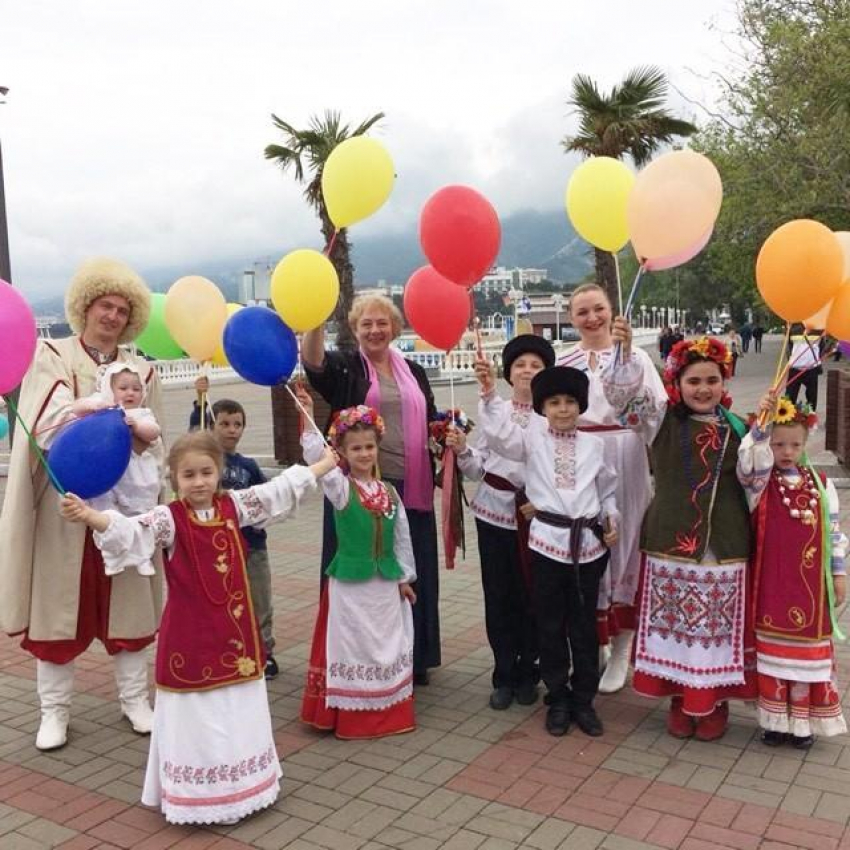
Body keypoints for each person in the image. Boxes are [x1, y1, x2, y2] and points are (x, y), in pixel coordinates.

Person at [59, 431, 337, 825]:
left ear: (219, 472)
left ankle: (245, 785)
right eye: (189, 475)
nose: (200, 482)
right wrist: (91, 516)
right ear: (174, 479)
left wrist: (324, 464)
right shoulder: (168, 520)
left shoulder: (234, 506)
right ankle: (201, 796)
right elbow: (132, 531)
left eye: (207, 472)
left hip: (235, 635)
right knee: (199, 715)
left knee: (236, 708)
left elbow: (278, 490)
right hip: (189, 640)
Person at [0, 257, 163, 751]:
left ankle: (136, 700)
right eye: (103, 305)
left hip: (124, 508)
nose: (111, 316)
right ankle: (54, 712)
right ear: (85, 307)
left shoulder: (142, 369)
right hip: (64, 507)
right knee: (57, 610)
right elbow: (42, 427)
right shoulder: (52, 353)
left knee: (129, 603)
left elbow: (155, 440)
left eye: (121, 309)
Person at [605, 326, 756, 741]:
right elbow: (623, 400)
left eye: (712, 380)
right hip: (669, 541)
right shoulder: (659, 421)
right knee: (677, 631)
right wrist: (625, 353)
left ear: (725, 382)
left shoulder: (741, 429)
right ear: (677, 383)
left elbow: (757, 480)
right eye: (694, 380)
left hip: (723, 546)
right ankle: (678, 698)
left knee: (713, 631)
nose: (703, 389)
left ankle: (712, 703)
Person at [302, 294, 439, 686]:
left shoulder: (414, 370)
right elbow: (314, 362)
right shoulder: (346, 367)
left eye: (382, 323)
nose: (375, 330)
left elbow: (430, 419)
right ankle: (355, 657)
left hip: (411, 487)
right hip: (357, 490)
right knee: (360, 574)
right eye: (366, 324)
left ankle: (414, 656)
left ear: (394, 328)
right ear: (354, 329)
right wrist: (314, 316)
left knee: (411, 568)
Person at [476, 361, 618, 738]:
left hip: (587, 547)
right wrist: (490, 394)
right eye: (554, 402)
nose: (564, 409)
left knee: (583, 626)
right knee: (550, 624)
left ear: (581, 405)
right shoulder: (532, 440)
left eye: (571, 401)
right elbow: (501, 435)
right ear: (542, 407)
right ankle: (557, 697)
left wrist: (611, 518)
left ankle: (583, 699)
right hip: (546, 545)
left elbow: (606, 490)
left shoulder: (595, 445)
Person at [558, 283, 667, 693]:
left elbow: (656, 414)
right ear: (572, 318)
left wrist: (632, 391)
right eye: (582, 312)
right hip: (581, 453)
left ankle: (623, 647)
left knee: (625, 542)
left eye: (598, 309)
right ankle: (595, 642)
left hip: (624, 451)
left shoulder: (636, 356)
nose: (592, 318)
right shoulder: (565, 360)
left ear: (612, 311)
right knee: (585, 546)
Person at [297, 391, 417, 739]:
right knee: (353, 646)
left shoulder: (390, 493)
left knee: (386, 646)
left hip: (383, 587)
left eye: (369, 447)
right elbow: (317, 457)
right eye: (356, 449)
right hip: (351, 587)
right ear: (344, 454)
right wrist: (306, 417)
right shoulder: (342, 488)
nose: (364, 454)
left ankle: (389, 712)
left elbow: (401, 539)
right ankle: (352, 717)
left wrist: (405, 579)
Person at [446, 335, 555, 710]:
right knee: (499, 595)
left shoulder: (552, 414)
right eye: (520, 365)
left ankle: (530, 670)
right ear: (509, 372)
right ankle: (503, 673)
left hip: (537, 518)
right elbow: (480, 466)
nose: (527, 371)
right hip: (494, 514)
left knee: (534, 595)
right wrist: (462, 451)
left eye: (536, 365)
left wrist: (541, 502)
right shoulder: (497, 409)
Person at [738, 396, 848, 749]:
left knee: (809, 658)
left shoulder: (822, 484)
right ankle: (774, 721)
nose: (787, 451)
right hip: (772, 587)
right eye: (779, 444)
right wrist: (760, 426)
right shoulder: (760, 484)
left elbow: (834, 533)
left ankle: (803, 725)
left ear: (805, 443)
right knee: (773, 655)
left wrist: (839, 572)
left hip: (812, 593)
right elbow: (747, 462)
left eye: (795, 444)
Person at [189, 380, 279, 680]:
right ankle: (223, 652)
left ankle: (264, 653)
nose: (231, 429)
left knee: (260, 601)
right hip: (218, 549)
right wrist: (200, 400)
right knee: (222, 602)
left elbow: (265, 499)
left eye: (237, 424)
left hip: (252, 546)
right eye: (224, 423)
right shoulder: (206, 462)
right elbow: (195, 433)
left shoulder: (249, 466)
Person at [69, 363, 163, 576]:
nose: (130, 393)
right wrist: (95, 406)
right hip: (108, 472)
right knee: (106, 516)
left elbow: (154, 432)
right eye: (123, 388)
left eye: (136, 389)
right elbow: (76, 409)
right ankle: (112, 556)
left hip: (136, 474)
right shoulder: (104, 406)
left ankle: (143, 556)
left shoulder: (142, 413)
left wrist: (137, 427)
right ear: (110, 389)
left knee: (141, 517)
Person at [787, 325, 824, 411]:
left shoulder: (819, 329)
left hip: (810, 369)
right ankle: (787, 416)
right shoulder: (793, 327)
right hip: (796, 368)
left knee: (811, 396)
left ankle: (810, 417)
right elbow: (789, 346)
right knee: (790, 397)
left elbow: (789, 347)